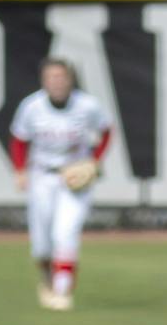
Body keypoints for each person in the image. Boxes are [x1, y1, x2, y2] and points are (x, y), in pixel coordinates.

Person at [8, 58, 112, 312]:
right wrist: (20, 170)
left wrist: (94, 162)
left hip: (75, 178)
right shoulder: (32, 106)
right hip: (42, 176)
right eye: (52, 77)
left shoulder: (87, 105)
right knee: (42, 244)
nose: (57, 82)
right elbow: (19, 139)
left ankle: (62, 291)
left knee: (65, 233)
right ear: (44, 81)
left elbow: (106, 131)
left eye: (61, 77)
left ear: (70, 79)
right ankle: (48, 279)